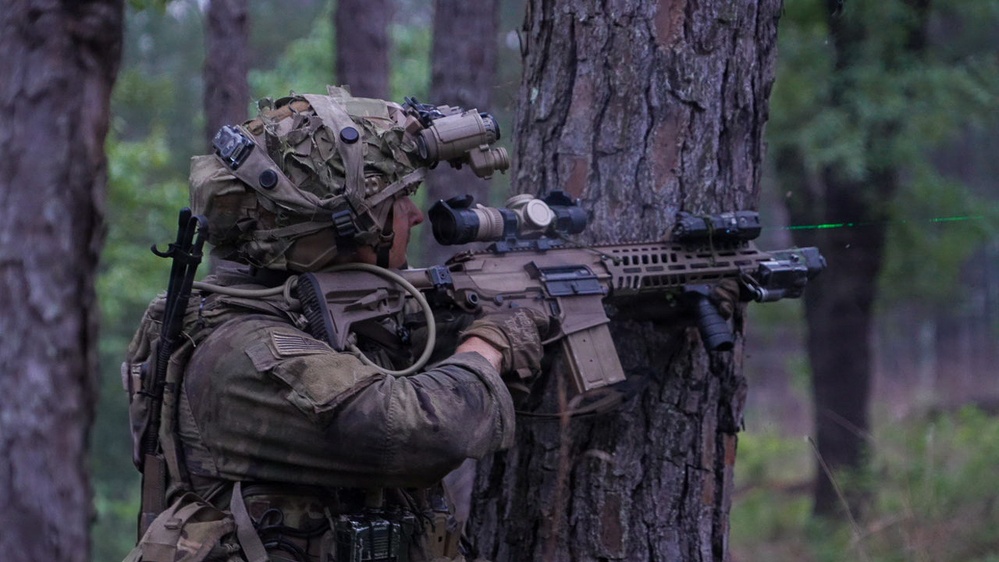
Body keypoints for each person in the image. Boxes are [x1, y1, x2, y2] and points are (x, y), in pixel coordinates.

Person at [122, 86, 546, 562]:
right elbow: (420, 433)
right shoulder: (246, 350)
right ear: (345, 229)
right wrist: (488, 342)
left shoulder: (314, 317)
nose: (414, 217)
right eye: (396, 203)